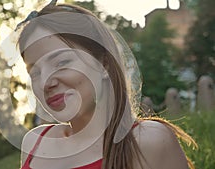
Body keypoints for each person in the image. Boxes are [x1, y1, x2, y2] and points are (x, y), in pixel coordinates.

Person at [15, 0, 197, 168]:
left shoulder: (149, 141)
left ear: (104, 64)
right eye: (35, 72)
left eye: (61, 63)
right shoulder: (34, 142)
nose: (46, 81)